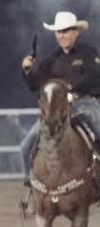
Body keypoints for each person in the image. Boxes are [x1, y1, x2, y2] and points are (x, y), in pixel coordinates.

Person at [19, 9, 100, 173]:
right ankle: (31, 184)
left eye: (65, 31)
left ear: (75, 32)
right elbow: (35, 85)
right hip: (57, 109)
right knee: (26, 146)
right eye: (58, 32)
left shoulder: (88, 53)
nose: (61, 35)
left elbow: (95, 77)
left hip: (86, 104)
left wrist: (70, 88)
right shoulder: (52, 59)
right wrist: (28, 71)